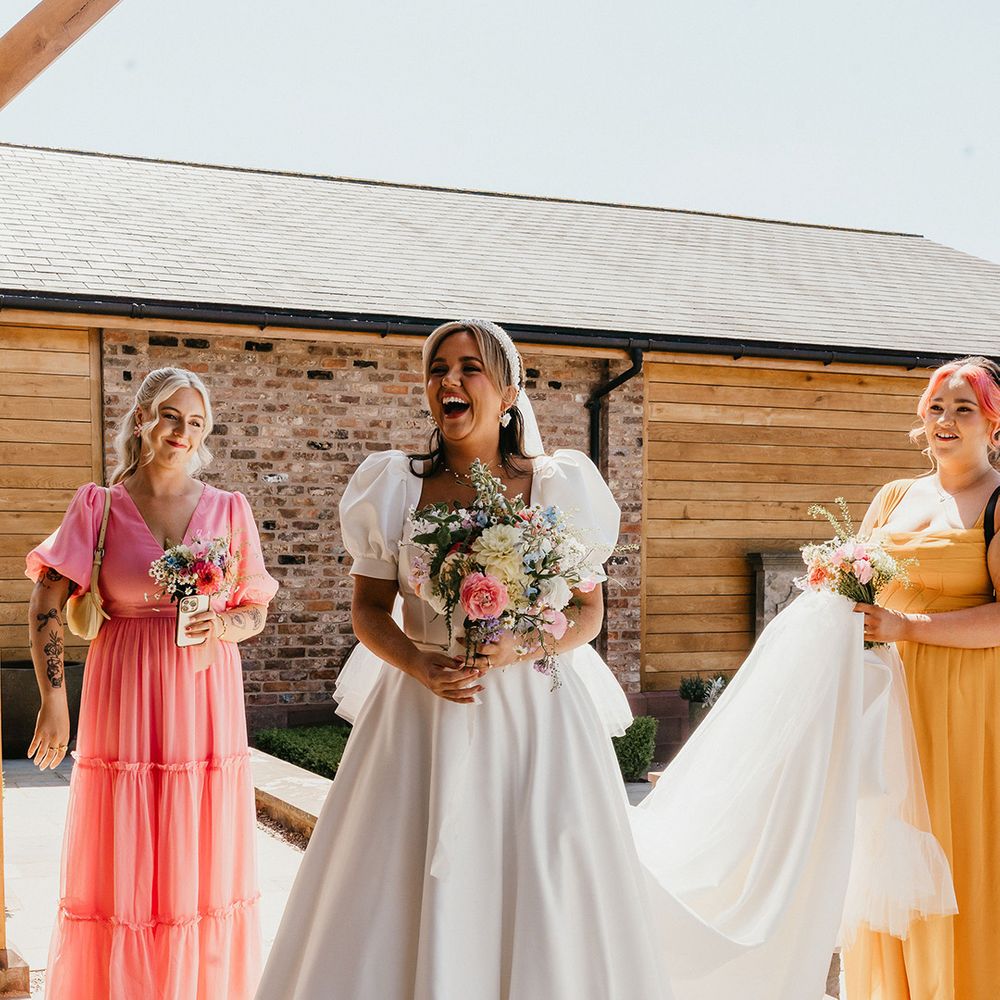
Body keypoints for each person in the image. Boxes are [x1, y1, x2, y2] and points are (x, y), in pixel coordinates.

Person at [256, 320, 667, 999]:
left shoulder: (559, 486)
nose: (448, 379)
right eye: (437, 368)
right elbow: (368, 610)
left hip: (537, 722)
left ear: (507, 392)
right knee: (397, 877)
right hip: (421, 710)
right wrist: (419, 664)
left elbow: (589, 615)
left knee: (542, 875)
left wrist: (520, 647)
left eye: (469, 367)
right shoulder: (394, 485)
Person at [25, 367, 279, 1000]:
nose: (181, 431)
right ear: (142, 418)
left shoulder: (228, 509)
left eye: (195, 421)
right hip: (125, 690)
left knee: (198, 852)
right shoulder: (98, 507)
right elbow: (47, 602)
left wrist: (221, 624)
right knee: (127, 849)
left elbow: (255, 609)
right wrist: (53, 699)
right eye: (170, 415)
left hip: (204, 693)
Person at [845, 356, 1000, 1000]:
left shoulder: (998, 502)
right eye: (937, 407)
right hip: (888, 698)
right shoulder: (893, 497)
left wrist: (906, 626)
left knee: (955, 845)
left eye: (964, 408)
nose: (946, 420)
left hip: (966, 703)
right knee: (885, 846)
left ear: (994, 424)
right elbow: (851, 588)